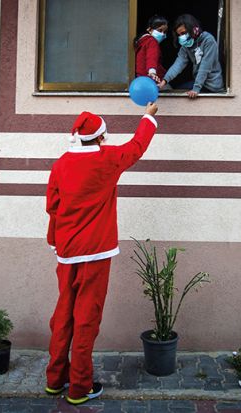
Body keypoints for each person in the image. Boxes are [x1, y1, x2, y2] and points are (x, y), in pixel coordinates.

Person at [44, 102, 159, 405]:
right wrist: (148, 117)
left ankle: (55, 379)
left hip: (67, 252)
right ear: (100, 137)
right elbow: (137, 147)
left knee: (63, 315)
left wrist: (54, 241)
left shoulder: (60, 164)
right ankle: (80, 386)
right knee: (86, 318)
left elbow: (52, 208)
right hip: (95, 252)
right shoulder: (108, 159)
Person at [158, 14, 225, 98]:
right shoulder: (186, 46)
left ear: (193, 28)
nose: (181, 37)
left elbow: (205, 66)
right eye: (179, 35)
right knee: (177, 90)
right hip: (200, 84)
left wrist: (196, 89)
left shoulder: (208, 40)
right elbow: (178, 64)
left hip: (213, 86)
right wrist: (164, 81)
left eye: (183, 33)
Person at [134, 15, 168, 83]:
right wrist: (152, 72)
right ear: (149, 29)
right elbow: (151, 57)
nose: (162, 34)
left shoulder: (142, 41)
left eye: (165, 32)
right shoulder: (152, 41)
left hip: (140, 79)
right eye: (160, 30)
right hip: (151, 79)